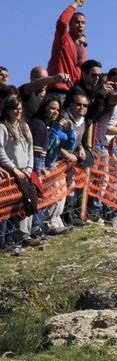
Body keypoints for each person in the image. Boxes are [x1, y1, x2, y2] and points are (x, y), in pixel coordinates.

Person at [0, 96, 40, 247]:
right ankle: (8, 240)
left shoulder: (24, 127)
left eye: (20, 108)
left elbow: (30, 148)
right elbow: (1, 151)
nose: (17, 111)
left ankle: (24, 235)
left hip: (25, 172)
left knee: (28, 202)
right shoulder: (2, 127)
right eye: (14, 108)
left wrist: (29, 167)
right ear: (8, 110)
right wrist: (13, 168)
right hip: (11, 173)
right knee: (9, 208)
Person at [47, 0, 87, 100]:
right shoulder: (63, 38)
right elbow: (62, 21)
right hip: (58, 90)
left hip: (73, 94)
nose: (80, 25)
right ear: (70, 24)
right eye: (77, 22)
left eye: (83, 23)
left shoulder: (82, 47)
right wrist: (76, 4)